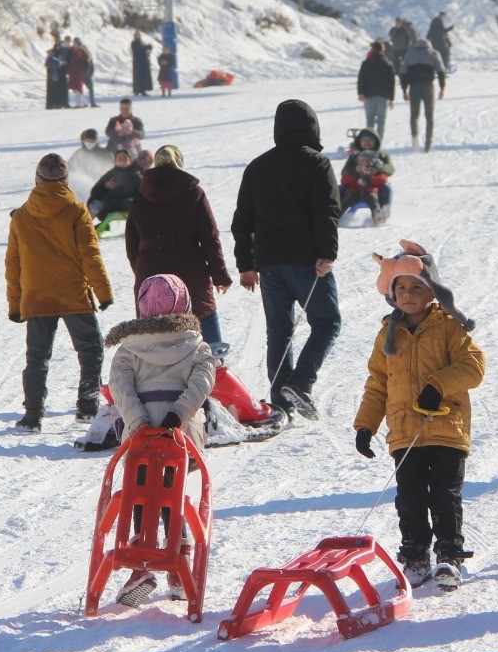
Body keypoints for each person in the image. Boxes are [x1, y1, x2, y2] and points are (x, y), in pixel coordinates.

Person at [357, 240, 484, 589]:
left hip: (445, 427)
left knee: (444, 495)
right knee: (409, 499)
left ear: (432, 291)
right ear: (391, 294)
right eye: (401, 288)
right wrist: (366, 425)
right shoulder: (388, 333)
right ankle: (414, 557)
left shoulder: (448, 327)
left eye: (416, 287)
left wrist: (438, 384)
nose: (408, 294)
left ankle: (449, 557)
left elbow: (473, 367)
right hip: (404, 432)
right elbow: (377, 384)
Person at [103, 273, 219, 606]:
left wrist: (140, 422)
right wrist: (176, 416)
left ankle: (140, 566)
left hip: (140, 438)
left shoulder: (128, 348)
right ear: (183, 305)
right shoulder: (196, 345)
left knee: (140, 493)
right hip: (179, 436)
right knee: (171, 492)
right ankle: (178, 567)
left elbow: (120, 388)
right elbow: (202, 382)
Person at [232, 100, 342, 420]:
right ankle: (301, 382)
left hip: (269, 265)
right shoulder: (316, 163)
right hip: (307, 261)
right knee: (327, 321)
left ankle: (281, 402)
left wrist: (246, 265)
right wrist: (327, 253)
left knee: (279, 332)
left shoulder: (257, 166)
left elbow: (243, 220)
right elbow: (327, 212)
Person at [6, 152, 115, 432]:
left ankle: (32, 415)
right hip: (73, 294)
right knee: (90, 349)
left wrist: (15, 304)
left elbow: (13, 264)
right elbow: (90, 255)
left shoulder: (21, 216)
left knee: (37, 356)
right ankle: (88, 406)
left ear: (37, 179)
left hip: (36, 296)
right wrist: (103, 292)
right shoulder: (77, 210)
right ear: (65, 179)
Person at [124, 144, 234, 357]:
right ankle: (214, 371)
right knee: (203, 318)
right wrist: (219, 275)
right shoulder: (193, 192)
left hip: (150, 272)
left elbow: (131, 240)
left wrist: (140, 270)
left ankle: (156, 379)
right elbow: (210, 238)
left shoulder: (141, 195)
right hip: (189, 270)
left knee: (153, 329)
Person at [400, 36, 447, 152]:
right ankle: (428, 144)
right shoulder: (434, 53)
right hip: (428, 86)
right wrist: (442, 88)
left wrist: (404, 89)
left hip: (414, 86)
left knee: (414, 114)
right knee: (429, 115)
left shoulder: (410, 53)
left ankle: (415, 139)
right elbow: (441, 71)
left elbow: (403, 72)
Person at [340, 129, 395, 223]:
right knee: (340, 189)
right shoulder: (354, 157)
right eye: (363, 140)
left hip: (373, 187)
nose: (366, 142)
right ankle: (333, 213)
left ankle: (382, 212)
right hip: (355, 188)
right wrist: (355, 171)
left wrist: (377, 169)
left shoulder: (382, 156)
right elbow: (344, 172)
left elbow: (390, 169)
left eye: (370, 139)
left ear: (376, 141)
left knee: (386, 187)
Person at [357, 40, 397, 143]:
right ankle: (378, 142)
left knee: (370, 121)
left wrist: (360, 93)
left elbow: (361, 79)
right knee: (381, 121)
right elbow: (391, 83)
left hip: (368, 95)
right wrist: (392, 98)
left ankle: (369, 142)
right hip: (383, 96)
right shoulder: (388, 64)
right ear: (382, 50)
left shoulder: (366, 63)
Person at [88, 149, 142, 221]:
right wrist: (105, 186)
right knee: (95, 205)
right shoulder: (110, 174)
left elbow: (142, 192)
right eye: (119, 159)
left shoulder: (135, 175)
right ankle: (83, 227)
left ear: (130, 160)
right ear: (115, 161)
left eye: (125, 159)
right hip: (109, 204)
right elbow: (94, 192)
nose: (122, 161)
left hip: (126, 205)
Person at [46, 38, 71, 109]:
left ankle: (57, 104)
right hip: (57, 77)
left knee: (58, 91)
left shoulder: (56, 54)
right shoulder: (57, 55)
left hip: (57, 77)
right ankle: (58, 104)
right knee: (57, 91)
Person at [67, 38, 90, 108]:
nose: (74, 44)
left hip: (79, 71)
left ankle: (79, 103)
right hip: (74, 71)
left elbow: (79, 59)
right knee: (76, 87)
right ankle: (84, 102)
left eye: (75, 43)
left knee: (78, 86)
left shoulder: (81, 51)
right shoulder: (74, 50)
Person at [131, 32, 155, 96]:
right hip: (137, 62)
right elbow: (137, 50)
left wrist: (148, 49)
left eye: (138, 35)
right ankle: (136, 90)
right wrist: (145, 48)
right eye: (136, 35)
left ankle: (143, 90)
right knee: (137, 76)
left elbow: (146, 52)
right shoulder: (134, 43)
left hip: (144, 62)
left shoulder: (142, 42)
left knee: (144, 77)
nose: (138, 36)